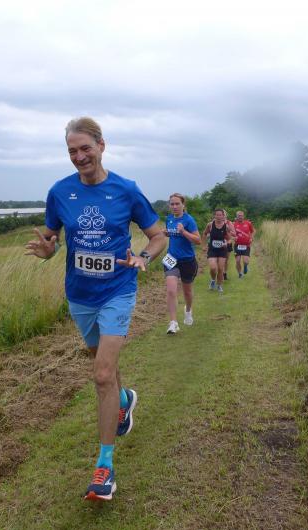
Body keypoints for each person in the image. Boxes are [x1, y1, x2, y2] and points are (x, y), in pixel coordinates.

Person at [25, 117, 166, 502]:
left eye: (85, 148)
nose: (79, 156)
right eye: (72, 151)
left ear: (102, 146)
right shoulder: (60, 192)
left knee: (102, 374)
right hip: (80, 295)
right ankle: (124, 400)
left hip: (118, 290)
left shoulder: (126, 190)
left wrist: (143, 258)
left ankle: (104, 467)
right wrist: (48, 249)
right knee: (103, 364)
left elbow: (158, 236)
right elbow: (52, 237)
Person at [162, 193, 201, 334]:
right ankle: (173, 322)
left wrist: (183, 231)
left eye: (177, 203)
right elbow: (172, 234)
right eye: (172, 204)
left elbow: (198, 240)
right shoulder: (169, 219)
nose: (174, 206)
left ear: (183, 205)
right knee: (171, 290)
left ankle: (188, 310)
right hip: (171, 259)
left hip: (187, 261)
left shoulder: (189, 220)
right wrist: (167, 233)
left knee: (187, 292)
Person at [202, 208, 235, 293]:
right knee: (213, 268)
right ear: (214, 215)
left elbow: (230, 239)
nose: (219, 217)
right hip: (212, 249)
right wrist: (204, 245)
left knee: (220, 269)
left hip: (222, 250)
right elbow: (204, 234)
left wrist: (226, 243)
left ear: (223, 216)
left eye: (220, 215)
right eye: (217, 215)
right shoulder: (210, 225)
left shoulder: (226, 226)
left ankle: (219, 285)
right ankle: (213, 280)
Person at [232, 210, 256, 278]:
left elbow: (253, 231)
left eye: (241, 216)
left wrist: (251, 238)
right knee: (237, 261)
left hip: (246, 245)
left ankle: (245, 266)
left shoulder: (248, 223)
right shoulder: (234, 224)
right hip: (237, 245)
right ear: (236, 216)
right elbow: (230, 233)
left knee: (246, 261)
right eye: (239, 216)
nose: (240, 217)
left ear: (243, 216)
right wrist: (233, 237)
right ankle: (240, 273)